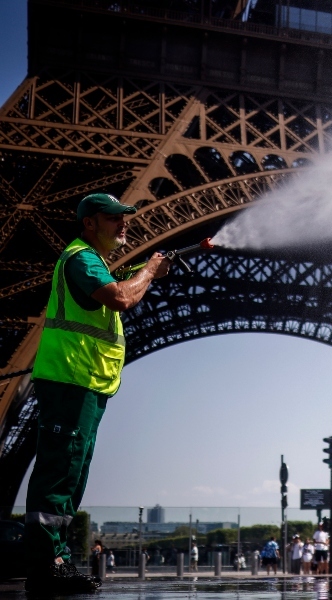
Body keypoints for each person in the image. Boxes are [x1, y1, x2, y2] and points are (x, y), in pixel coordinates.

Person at [24, 193, 171, 593]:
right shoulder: (81, 258)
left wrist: (144, 273)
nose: (123, 225)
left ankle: (55, 559)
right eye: (113, 218)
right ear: (89, 223)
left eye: (124, 218)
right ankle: (46, 563)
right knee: (60, 472)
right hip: (70, 379)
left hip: (85, 383)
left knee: (72, 472)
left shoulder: (94, 263)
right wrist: (150, 271)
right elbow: (121, 297)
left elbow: (118, 292)